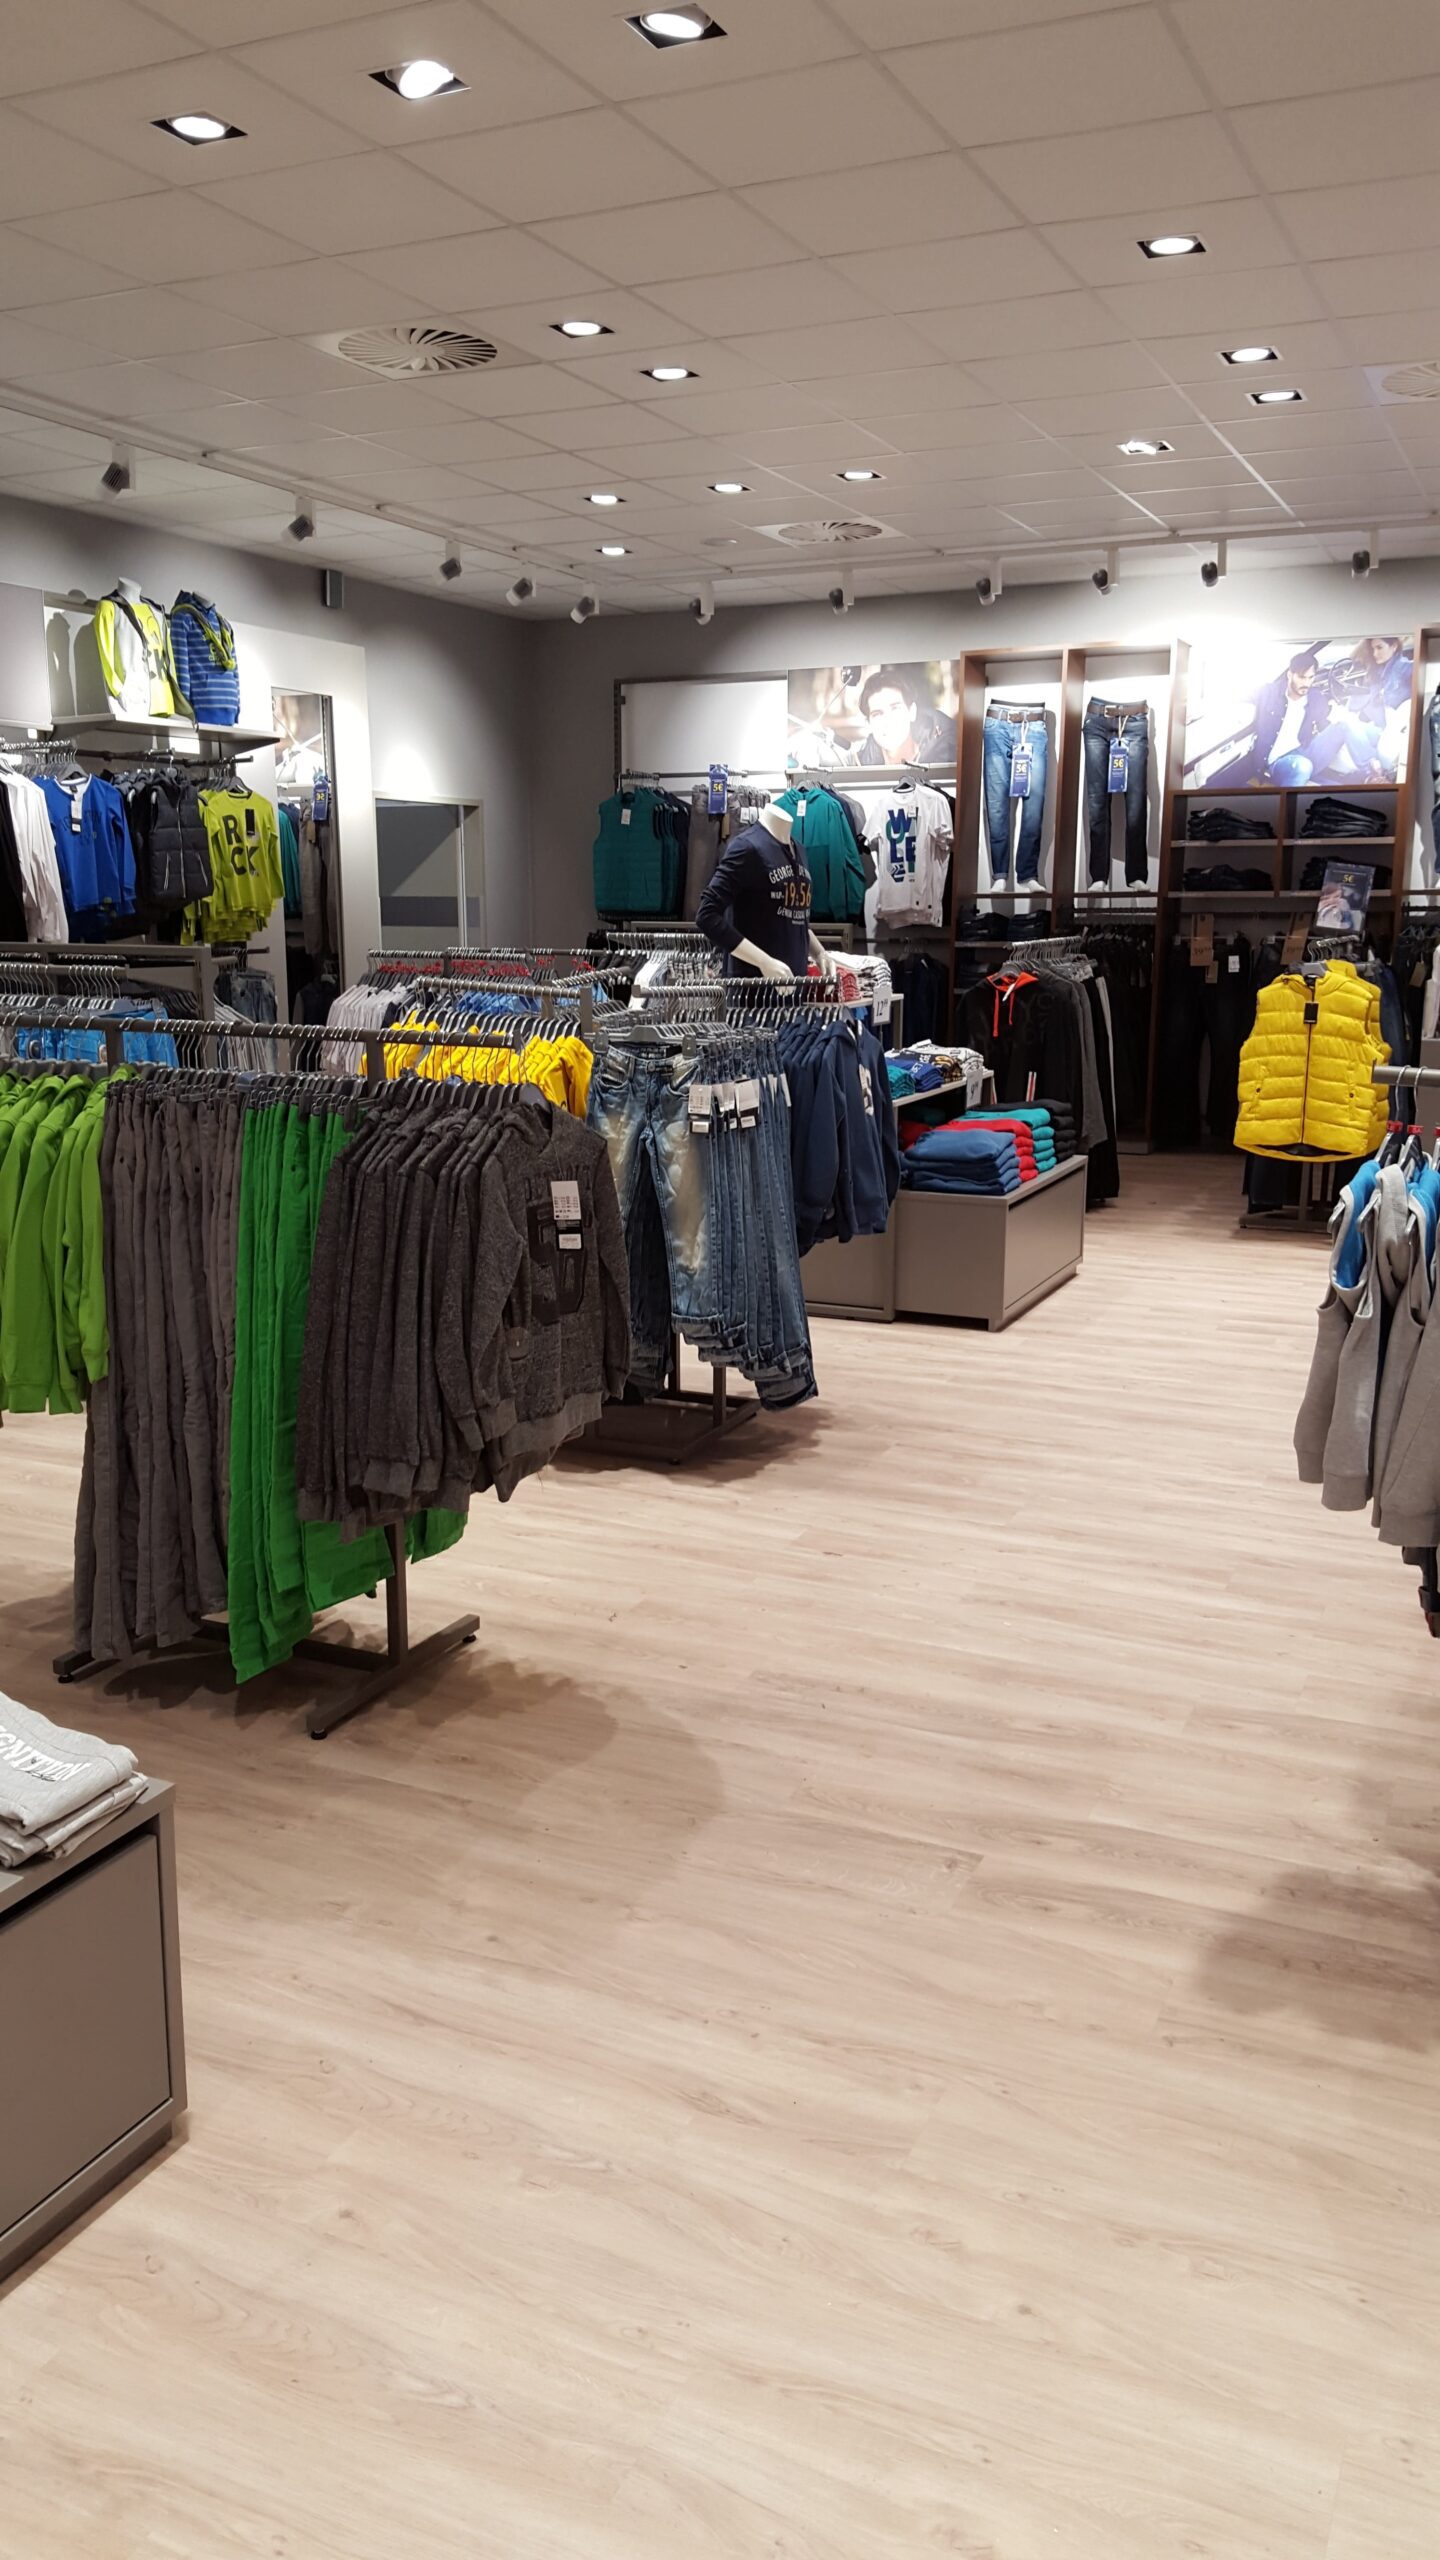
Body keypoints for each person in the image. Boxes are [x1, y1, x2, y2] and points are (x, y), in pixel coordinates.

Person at [1207, 649, 1322, 789]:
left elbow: (1325, 720)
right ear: (1289, 675)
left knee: (1343, 726)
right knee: (1303, 766)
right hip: (1278, 760)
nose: (1307, 683)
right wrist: (1201, 707)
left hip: (1301, 752)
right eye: (1302, 677)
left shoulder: (1316, 698)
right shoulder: (1269, 693)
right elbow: (1235, 696)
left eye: (1311, 677)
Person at [854, 666, 956, 767]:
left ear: (912, 712)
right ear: (869, 724)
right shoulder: (859, 764)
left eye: (895, 708)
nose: (887, 721)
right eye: (877, 714)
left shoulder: (946, 756)